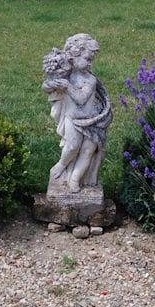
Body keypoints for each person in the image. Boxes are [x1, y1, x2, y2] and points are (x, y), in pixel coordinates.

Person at [43, 33, 112, 193]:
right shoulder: (65, 74)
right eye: (87, 59)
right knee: (72, 146)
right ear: (74, 56)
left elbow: (81, 99)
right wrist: (52, 84)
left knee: (88, 151)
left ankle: (74, 179)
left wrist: (67, 86)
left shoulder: (90, 80)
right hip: (73, 119)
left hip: (93, 121)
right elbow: (46, 87)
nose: (90, 63)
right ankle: (61, 165)